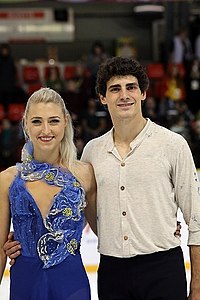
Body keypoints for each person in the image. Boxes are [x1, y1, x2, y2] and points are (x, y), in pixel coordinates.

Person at [3, 57, 199, 299]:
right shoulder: (92, 153)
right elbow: (91, 218)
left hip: (162, 268)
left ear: (144, 93)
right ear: (103, 98)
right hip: (112, 272)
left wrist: (197, 288)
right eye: (115, 89)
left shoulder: (172, 145)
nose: (124, 95)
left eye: (131, 87)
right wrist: (29, 234)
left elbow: (196, 219)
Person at [0, 87, 97, 299]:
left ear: (65, 121)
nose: (46, 130)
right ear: (25, 123)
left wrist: (161, 226)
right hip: (25, 283)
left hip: (71, 285)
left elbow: (107, 233)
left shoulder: (85, 174)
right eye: (37, 121)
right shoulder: (7, 179)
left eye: (53, 121)